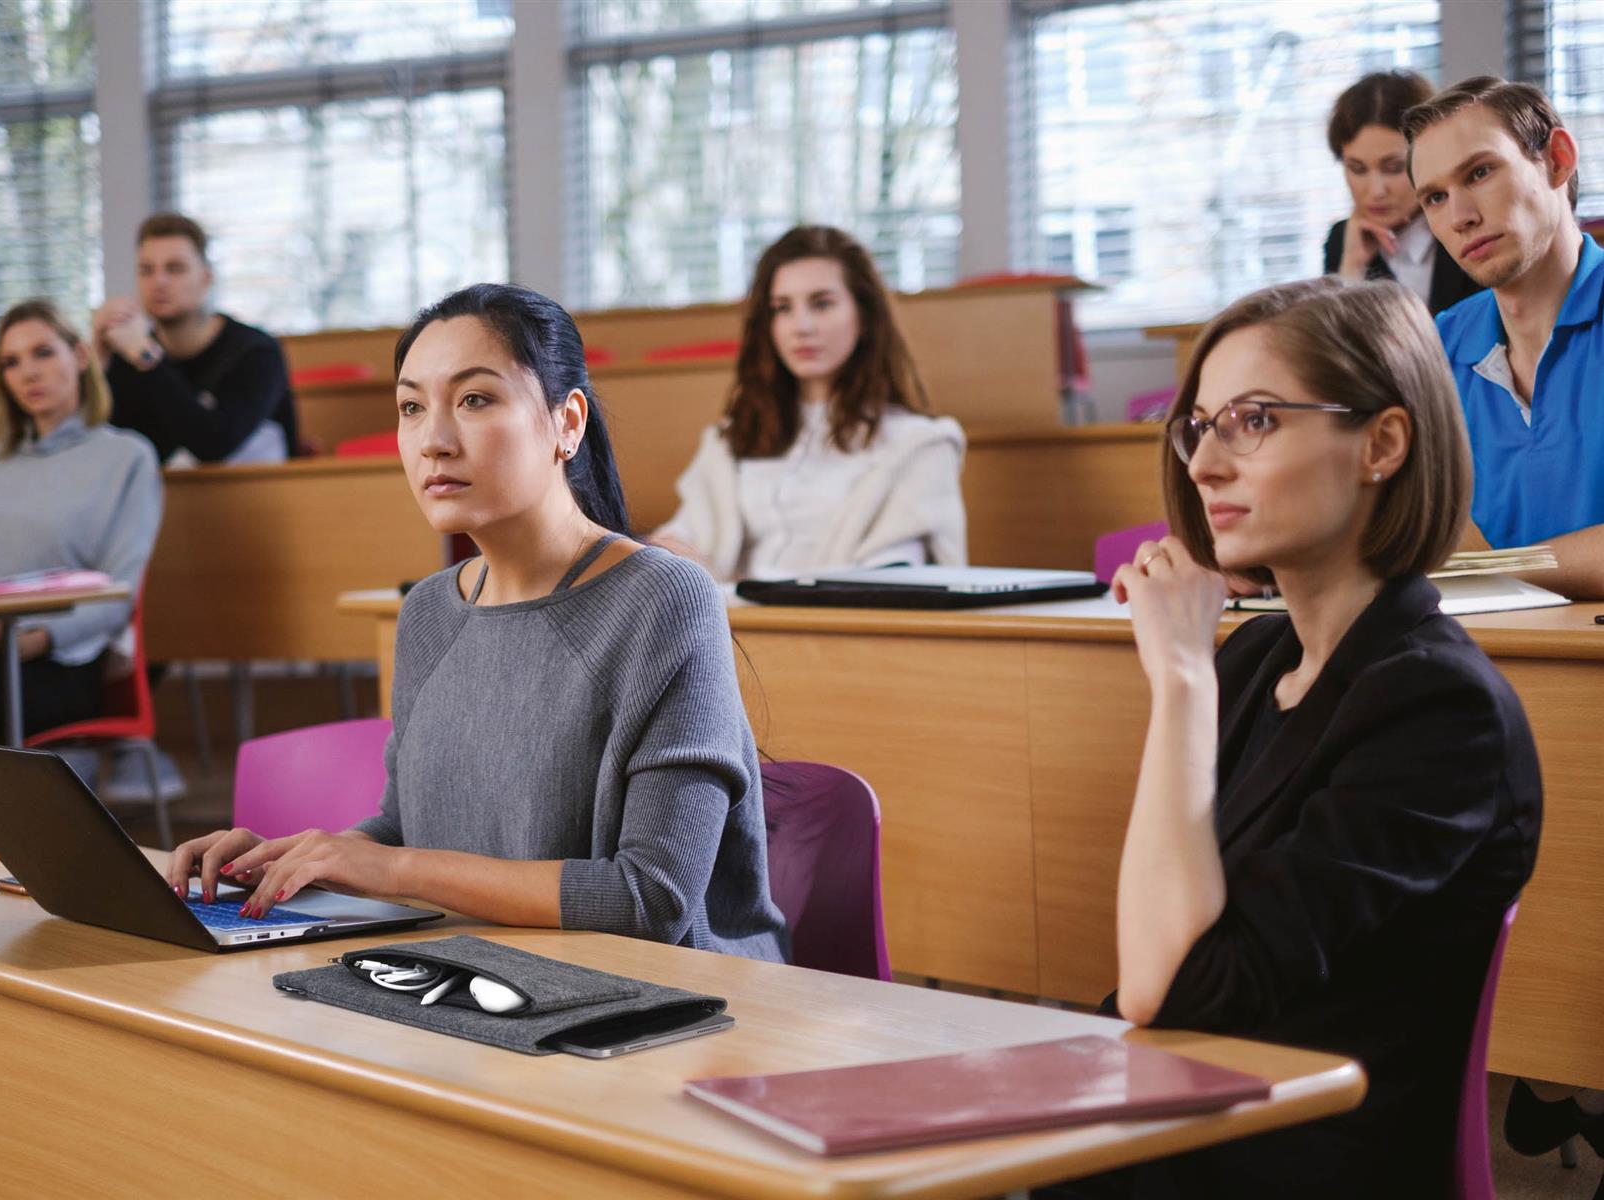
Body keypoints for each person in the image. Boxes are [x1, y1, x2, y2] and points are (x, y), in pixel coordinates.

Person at [1038, 277, 1541, 1199]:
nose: (1204, 465)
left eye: (1255, 421)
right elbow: (1148, 973)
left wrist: (1180, 677)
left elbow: (1170, 991)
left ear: (1382, 444)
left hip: (1302, 1160)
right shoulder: (1257, 658)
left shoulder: (1438, 710)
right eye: (1198, 426)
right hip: (1182, 1126)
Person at [164, 283, 787, 961]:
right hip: (486, 980)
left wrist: (392, 872)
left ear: (567, 423)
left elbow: (649, 900)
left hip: (671, 1009)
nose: (432, 441)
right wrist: (291, 863)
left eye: (475, 399)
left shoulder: (664, 600)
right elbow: (406, 830)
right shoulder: (429, 611)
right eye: (410, 407)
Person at [651, 225, 966, 581]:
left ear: (864, 316)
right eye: (782, 308)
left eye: (822, 304)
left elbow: (895, 577)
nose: (800, 326)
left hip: (838, 630)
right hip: (726, 627)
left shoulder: (919, 445)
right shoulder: (732, 441)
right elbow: (679, 541)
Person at [0, 300, 163, 745]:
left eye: (43, 353)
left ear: (80, 356)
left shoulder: (126, 457)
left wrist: (32, 640)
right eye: (11, 363)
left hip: (59, 664)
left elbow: (120, 591)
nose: (28, 373)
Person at [1406, 76, 1603, 600]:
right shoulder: (1435, 345)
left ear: (1558, 160)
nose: (1460, 217)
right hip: (1485, 659)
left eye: (1480, 172)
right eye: (1435, 197)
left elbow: (1453, 567)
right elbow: (1419, 539)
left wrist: (1489, 571)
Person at [93, 212, 301, 466]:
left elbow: (214, 443)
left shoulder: (257, 353)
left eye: (175, 269)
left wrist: (148, 360)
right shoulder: (131, 355)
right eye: (146, 270)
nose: (158, 282)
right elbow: (109, 451)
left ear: (206, 279)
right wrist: (98, 360)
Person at [1323, 70, 1482, 315]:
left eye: (1394, 168)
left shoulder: (1470, 224)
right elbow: (1336, 350)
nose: (1376, 191)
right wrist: (1352, 269)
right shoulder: (1341, 240)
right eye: (1357, 169)